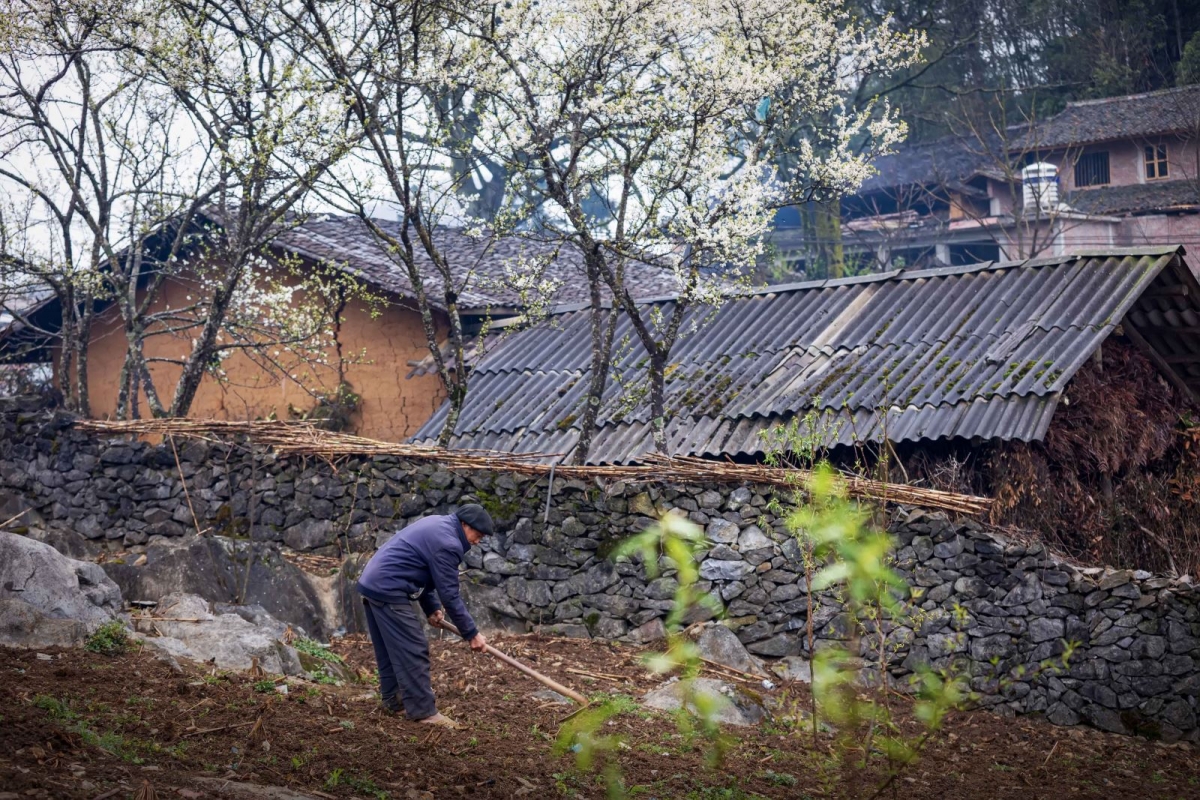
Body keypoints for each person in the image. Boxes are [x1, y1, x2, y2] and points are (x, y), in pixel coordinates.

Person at [356, 503, 493, 728]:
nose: (477, 541)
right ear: (464, 524)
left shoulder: (438, 524)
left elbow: (424, 570)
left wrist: (431, 608)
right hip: (388, 588)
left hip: (374, 583)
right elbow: (450, 595)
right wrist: (472, 633)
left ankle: (394, 701)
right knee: (413, 647)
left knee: (391, 649)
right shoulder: (448, 543)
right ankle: (423, 712)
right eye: (477, 535)